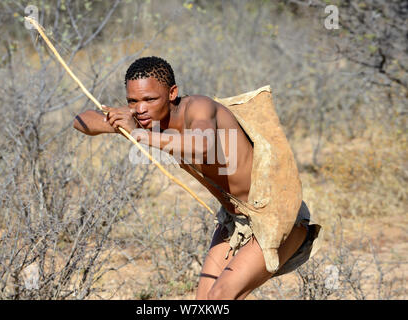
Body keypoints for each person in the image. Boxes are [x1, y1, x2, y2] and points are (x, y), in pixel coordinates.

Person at [73, 56, 315, 299]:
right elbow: (81, 121)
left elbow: (201, 144)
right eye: (132, 101)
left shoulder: (199, 107)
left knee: (219, 298)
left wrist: (138, 133)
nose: (141, 108)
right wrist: (115, 121)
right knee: (203, 301)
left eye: (149, 99)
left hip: (275, 215)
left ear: (172, 93)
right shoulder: (146, 116)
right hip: (235, 220)